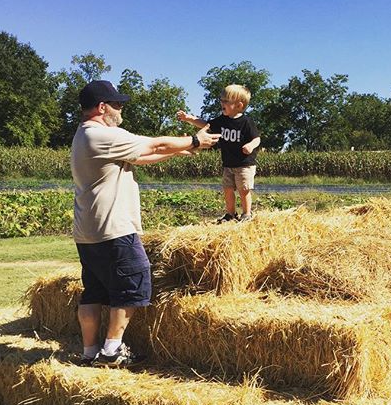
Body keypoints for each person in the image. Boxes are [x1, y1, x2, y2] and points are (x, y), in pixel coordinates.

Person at [71, 80, 220, 367]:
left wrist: (180, 150)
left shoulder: (85, 135)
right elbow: (154, 143)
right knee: (134, 280)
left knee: (94, 290)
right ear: (103, 107)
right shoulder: (102, 134)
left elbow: (141, 157)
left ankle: (89, 353)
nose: (121, 108)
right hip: (113, 227)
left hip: (88, 231)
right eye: (117, 104)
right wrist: (194, 141)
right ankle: (112, 351)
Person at [177, 84, 261, 222]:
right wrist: (189, 118)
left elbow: (257, 138)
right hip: (228, 164)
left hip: (245, 164)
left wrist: (251, 145)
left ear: (239, 105)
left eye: (226, 101)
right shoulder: (221, 120)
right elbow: (205, 125)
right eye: (221, 100)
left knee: (243, 189)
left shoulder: (246, 122)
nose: (222, 103)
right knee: (228, 189)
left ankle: (247, 214)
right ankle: (230, 214)